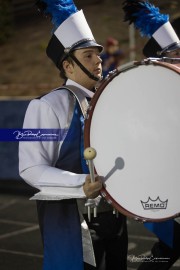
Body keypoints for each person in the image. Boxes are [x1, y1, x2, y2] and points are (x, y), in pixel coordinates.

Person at [19, 0, 128, 269]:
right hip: (71, 221)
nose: (98, 60)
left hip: (114, 219)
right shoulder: (44, 106)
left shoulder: (108, 102)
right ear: (68, 66)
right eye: (88, 56)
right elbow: (29, 167)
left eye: (98, 54)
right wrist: (80, 183)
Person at [122, 1, 180, 269]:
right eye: (177, 55)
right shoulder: (144, 101)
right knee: (167, 249)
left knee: (165, 252)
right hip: (164, 192)